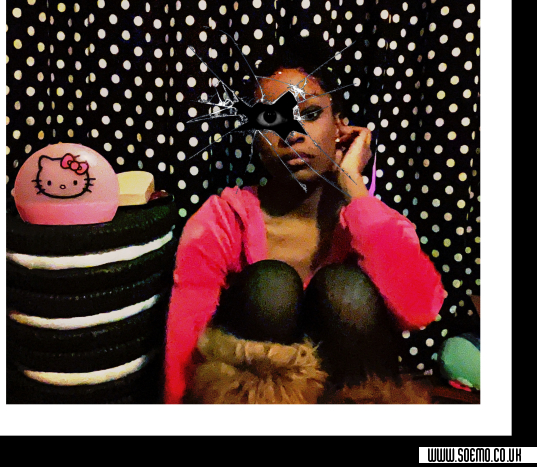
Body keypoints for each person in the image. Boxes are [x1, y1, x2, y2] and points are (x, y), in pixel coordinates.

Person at [163, 62, 445, 404]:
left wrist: (355, 191)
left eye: (309, 114)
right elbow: (184, 348)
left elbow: (418, 309)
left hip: (349, 404)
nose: (291, 133)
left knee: (344, 288)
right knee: (272, 286)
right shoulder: (223, 220)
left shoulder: (370, 220)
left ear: (341, 126)